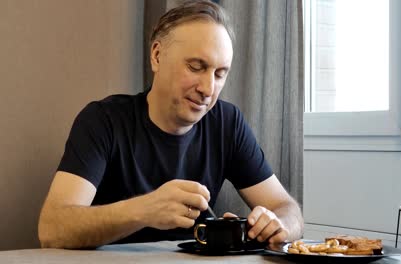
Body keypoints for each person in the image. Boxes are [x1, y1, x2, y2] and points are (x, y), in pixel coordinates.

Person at [38, 0, 303, 249]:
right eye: (196, 67)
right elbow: (51, 230)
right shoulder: (103, 120)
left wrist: (277, 225)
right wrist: (144, 210)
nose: (208, 89)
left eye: (220, 74)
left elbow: (287, 209)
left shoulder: (228, 123)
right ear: (156, 55)